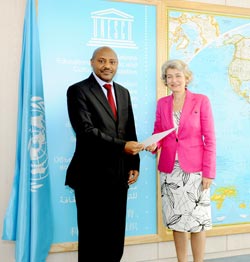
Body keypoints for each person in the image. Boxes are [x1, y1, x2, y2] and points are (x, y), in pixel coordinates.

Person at [65, 46, 144, 262]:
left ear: (117, 65)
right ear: (92, 62)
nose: (107, 66)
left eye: (112, 61)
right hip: (90, 175)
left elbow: (130, 131)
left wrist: (134, 164)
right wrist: (122, 146)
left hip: (119, 175)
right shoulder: (78, 90)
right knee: (92, 237)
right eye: (101, 61)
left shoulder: (123, 92)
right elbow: (86, 131)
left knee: (115, 235)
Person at [146, 59, 216, 262]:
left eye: (178, 75)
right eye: (169, 76)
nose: (174, 80)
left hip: (195, 172)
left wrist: (209, 172)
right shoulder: (162, 104)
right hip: (170, 171)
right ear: (165, 80)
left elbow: (210, 138)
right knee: (177, 221)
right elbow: (158, 133)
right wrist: (154, 145)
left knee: (198, 221)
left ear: (187, 78)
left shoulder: (201, 101)